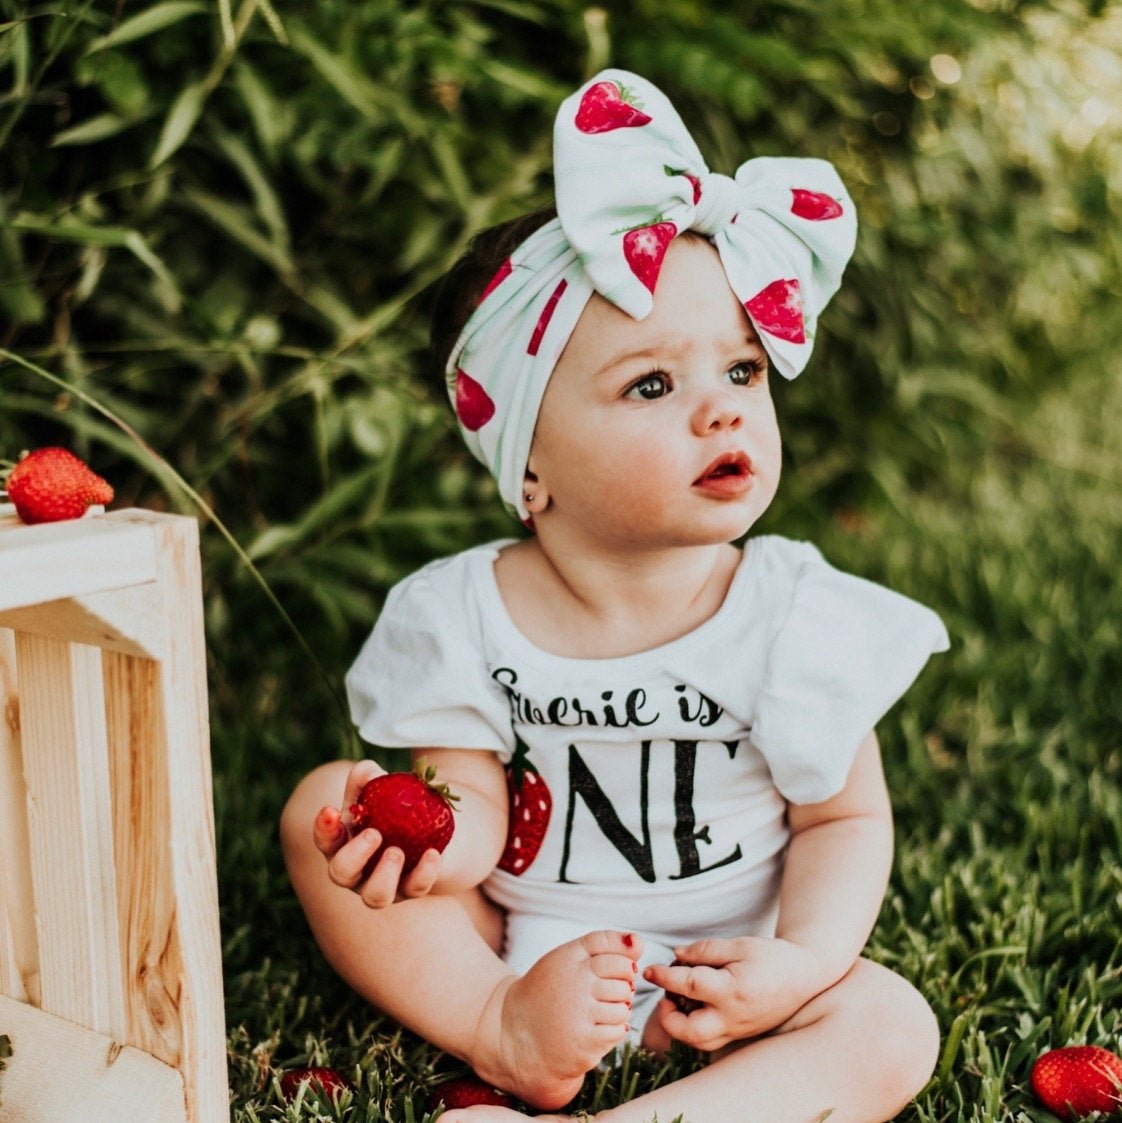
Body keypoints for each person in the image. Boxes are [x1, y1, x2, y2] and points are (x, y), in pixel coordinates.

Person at [281, 68, 949, 1123]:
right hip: (521, 952)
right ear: (528, 471)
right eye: (652, 384)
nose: (722, 413)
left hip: (732, 975)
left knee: (892, 1023)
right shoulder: (464, 612)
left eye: (741, 371)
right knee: (318, 801)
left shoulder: (794, 610)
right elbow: (474, 815)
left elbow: (846, 817)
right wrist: (415, 852)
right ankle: (493, 1025)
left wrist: (802, 964)